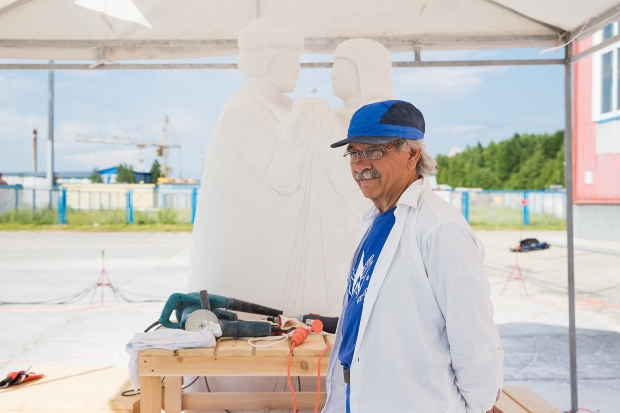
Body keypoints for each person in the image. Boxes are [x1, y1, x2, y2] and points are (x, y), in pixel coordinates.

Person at [322, 100, 504, 413]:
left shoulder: (439, 228)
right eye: (354, 153)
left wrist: (480, 404)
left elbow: (474, 337)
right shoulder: (377, 220)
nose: (361, 164)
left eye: (374, 151)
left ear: (412, 154)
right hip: (360, 397)